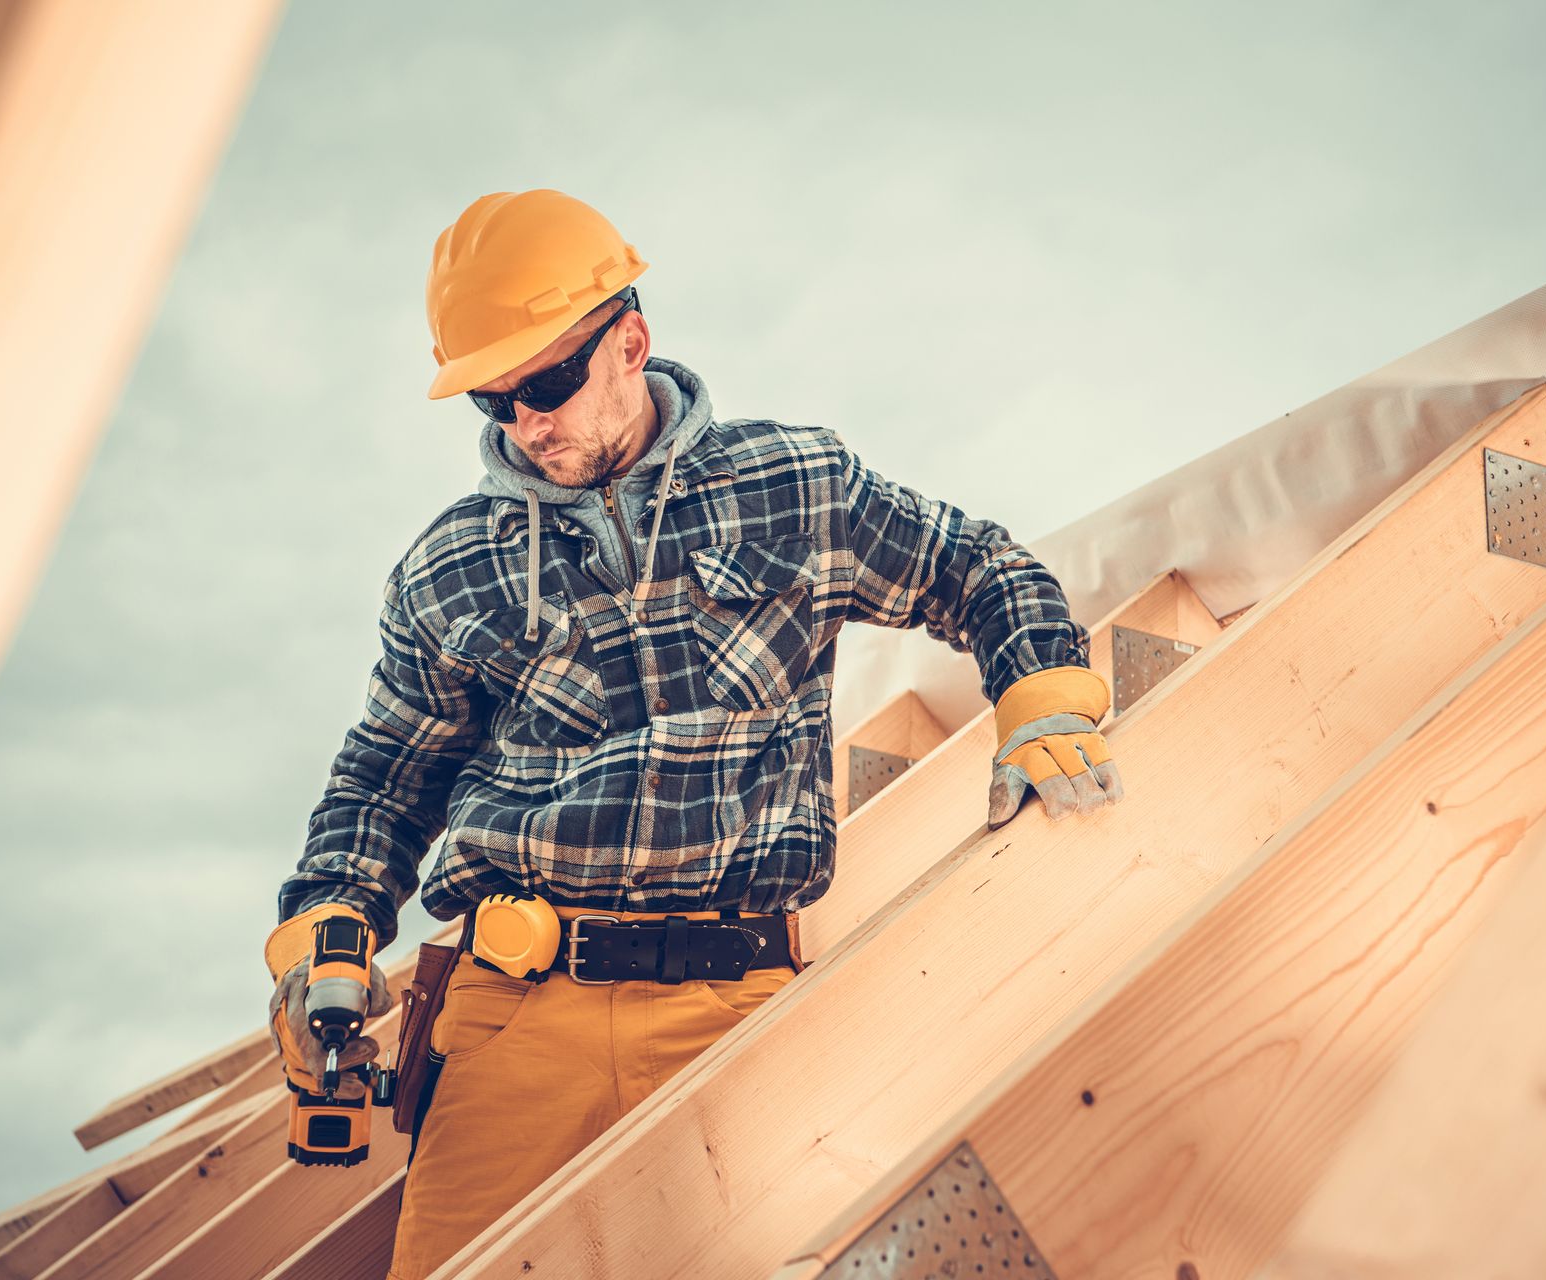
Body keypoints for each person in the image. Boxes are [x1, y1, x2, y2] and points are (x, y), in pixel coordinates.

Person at [262, 188, 1127, 1279]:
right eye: (493, 397)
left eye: (546, 381)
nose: (527, 421)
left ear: (632, 340)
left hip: (737, 1000)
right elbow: (383, 787)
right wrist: (326, 928)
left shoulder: (794, 485)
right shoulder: (450, 566)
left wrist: (1043, 691)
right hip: (515, 1019)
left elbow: (979, 567)